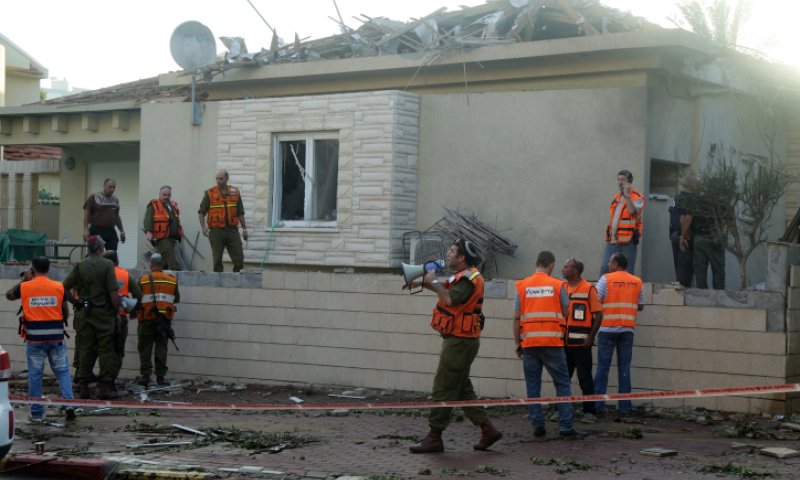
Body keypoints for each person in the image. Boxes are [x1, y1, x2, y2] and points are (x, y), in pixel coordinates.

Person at [403, 239, 502, 453]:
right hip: (461, 339)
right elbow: (444, 289)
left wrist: (432, 280)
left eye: (452, 251)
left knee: (443, 387)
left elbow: (450, 299)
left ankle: (434, 437)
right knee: (461, 388)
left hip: (459, 340)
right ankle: (488, 430)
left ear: (461, 258)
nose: (447, 253)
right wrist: (420, 282)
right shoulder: (462, 276)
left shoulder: (468, 279)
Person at [514, 251, 583, 437]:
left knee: (533, 385)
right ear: (551, 265)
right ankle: (566, 427)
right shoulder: (557, 285)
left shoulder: (522, 285)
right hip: (552, 342)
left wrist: (518, 343)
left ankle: (538, 425)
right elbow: (567, 311)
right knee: (562, 384)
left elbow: (516, 318)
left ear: (536, 262)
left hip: (529, 343)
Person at [5, 257, 76, 422]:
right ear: (49, 268)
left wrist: (23, 280)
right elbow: (65, 312)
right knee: (62, 371)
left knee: (35, 375)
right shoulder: (59, 287)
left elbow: (9, 295)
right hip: (56, 338)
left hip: (35, 340)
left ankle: (36, 412)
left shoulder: (25, 287)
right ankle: (69, 403)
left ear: (33, 268)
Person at [63, 235, 121, 400]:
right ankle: (104, 388)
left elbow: (63, 288)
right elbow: (114, 294)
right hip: (103, 315)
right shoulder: (108, 265)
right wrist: (116, 313)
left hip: (84, 314)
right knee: (106, 350)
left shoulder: (80, 265)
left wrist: (76, 301)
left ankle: (83, 387)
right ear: (101, 248)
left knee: (85, 349)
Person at [594, 252, 644, 414]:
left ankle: (598, 406)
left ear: (615, 264)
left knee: (603, 368)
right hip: (627, 330)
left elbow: (594, 300)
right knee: (624, 368)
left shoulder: (606, 279)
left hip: (607, 329)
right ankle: (624, 406)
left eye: (610, 262)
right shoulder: (637, 281)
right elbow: (640, 305)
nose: (608, 265)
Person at [562, 257, 602, 422]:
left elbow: (598, 315)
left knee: (585, 378)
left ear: (575, 271)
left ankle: (589, 411)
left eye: (566, 267)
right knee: (563, 378)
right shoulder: (562, 288)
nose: (563, 269)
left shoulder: (588, 289)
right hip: (564, 343)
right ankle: (562, 410)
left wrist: (591, 338)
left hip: (582, 344)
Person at [138, 253, 180, 387]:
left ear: (151, 264)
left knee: (145, 348)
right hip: (164, 321)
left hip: (146, 320)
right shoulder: (172, 280)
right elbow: (177, 299)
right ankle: (160, 378)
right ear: (162, 265)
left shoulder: (143, 279)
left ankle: (145, 377)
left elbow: (137, 298)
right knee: (161, 348)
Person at [103, 250, 142, 391]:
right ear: (117, 261)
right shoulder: (125, 274)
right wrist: (133, 311)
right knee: (118, 350)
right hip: (120, 318)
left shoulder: (100, 274)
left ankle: (102, 381)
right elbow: (138, 294)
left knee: (104, 350)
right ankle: (111, 380)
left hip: (102, 318)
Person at [198, 170, 248, 272]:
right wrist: (203, 227)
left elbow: (240, 213)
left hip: (232, 230)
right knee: (217, 259)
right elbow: (201, 212)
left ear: (226, 179)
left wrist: (244, 229)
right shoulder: (210, 193)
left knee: (239, 257)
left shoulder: (235, 193)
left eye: (221, 178)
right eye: (217, 178)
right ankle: (218, 280)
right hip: (216, 231)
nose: (218, 181)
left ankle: (237, 277)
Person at [600, 170, 645, 276]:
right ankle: (602, 291)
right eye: (618, 179)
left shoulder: (638, 197)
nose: (620, 182)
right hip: (613, 239)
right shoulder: (616, 197)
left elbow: (633, 212)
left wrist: (627, 196)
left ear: (629, 182)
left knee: (627, 271)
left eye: (623, 179)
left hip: (628, 240)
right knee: (604, 268)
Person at [681, 188, 725, 290]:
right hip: (717, 240)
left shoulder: (696, 201)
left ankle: (702, 298)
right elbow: (730, 222)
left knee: (700, 271)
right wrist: (736, 241)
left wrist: (682, 236)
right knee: (718, 271)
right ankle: (720, 298)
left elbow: (687, 219)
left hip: (700, 240)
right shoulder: (721, 202)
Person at [144, 185, 184, 270]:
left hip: (172, 238)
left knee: (165, 260)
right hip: (160, 238)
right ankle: (177, 272)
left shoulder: (172, 206)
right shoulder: (153, 205)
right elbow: (148, 219)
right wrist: (148, 231)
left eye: (168, 195)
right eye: (164, 194)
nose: (166, 197)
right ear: (159, 194)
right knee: (169, 254)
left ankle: (163, 273)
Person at [83, 178, 126, 251]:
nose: (112, 189)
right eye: (110, 187)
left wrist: (122, 231)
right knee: (95, 254)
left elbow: (116, 217)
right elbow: (86, 214)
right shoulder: (94, 197)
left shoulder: (115, 200)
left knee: (112, 254)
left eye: (114, 187)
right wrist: (85, 229)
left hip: (110, 231)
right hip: (96, 230)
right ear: (104, 186)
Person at [669, 185, 695, 288]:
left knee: (678, 263)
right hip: (684, 234)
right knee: (685, 263)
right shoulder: (689, 199)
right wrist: (683, 236)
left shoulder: (676, 198)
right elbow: (684, 219)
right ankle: (684, 288)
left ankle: (680, 284)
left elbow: (672, 217)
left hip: (674, 233)